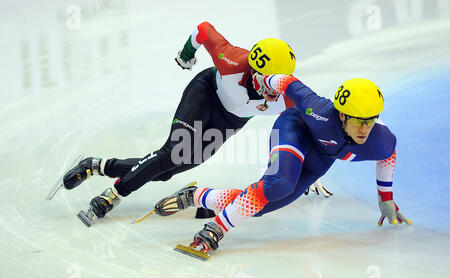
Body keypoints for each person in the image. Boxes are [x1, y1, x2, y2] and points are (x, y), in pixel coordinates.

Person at [59, 22, 330, 226]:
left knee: (167, 170)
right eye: (269, 81)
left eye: (280, 82)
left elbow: (313, 126)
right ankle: (113, 194)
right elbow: (203, 29)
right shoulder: (232, 59)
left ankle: (97, 165)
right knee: (172, 153)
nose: (274, 90)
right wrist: (186, 55)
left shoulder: (287, 96)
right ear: (254, 70)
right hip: (205, 93)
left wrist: (306, 170)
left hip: (230, 120)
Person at [154, 74, 412, 256]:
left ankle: (197, 196)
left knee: (261, 207)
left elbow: (388, 157)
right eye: (358, 121)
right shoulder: (319, 110)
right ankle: (216, 228)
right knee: (278, 184)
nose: (364, 129)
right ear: (342, 114)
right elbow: (288, 82)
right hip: (294, 129)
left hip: (320, 160)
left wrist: (385, 199)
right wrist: (262, 81)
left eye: (370, 120)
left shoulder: (381, 141)